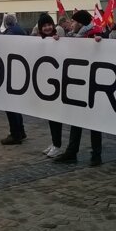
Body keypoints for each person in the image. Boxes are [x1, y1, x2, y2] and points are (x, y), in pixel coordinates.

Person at [54, 10, 103, 166]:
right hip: (78, 83)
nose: (71, 25)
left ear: (80, 23)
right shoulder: (75, 37)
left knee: (94, 122)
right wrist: (56, 41)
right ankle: (72, 152)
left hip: (94, 85)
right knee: (76, 119)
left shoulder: (95, 36)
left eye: (74, 22)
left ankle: (96, 155)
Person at [0, 14, 28, 145]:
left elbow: (3, 45)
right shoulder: (21, 30)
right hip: (19, 71)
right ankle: (20, 131)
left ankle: (15, 134)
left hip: (12, 71)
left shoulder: (10, 32)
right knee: (16, 105)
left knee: (10, 105)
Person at [37, 13, 65, 158]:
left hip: (57, 84)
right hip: (45, 85)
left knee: (55, 116)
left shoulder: (59, 39)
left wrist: (58, 41)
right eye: (45, 25)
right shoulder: (39, 41)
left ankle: (57, 145)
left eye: (49, 25)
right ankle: (54, 142)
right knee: (50, 115)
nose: (47, 27)